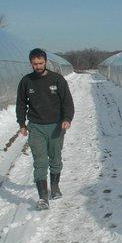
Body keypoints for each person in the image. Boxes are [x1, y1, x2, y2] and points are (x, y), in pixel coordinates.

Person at [16, 48, 74, 209]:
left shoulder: (57, 79)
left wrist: (67, 119)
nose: (38, 66)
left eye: (41, 63)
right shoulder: (26, 81)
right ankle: (43, 197)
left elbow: (67, 102)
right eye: (35, 64)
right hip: (36, 127)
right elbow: (21, 103)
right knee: (40, 161)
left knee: (55, 158)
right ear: (31, 63)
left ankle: (54, 187)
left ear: (46, 62)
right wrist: (22, 124)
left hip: (56, 126)